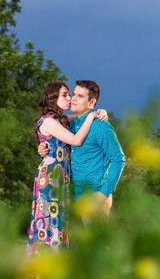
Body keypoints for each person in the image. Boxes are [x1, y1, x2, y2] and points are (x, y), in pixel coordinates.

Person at [27, 81, 106, 253]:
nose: (69, 98)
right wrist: (92, 116)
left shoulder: (60, 120)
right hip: (50, 179)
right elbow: (77, 140)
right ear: (53, 98)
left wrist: (99, 112)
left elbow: (80, 119)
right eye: (64, 95)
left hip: (60, 177)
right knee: (49, 222)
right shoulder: (49, 122)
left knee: (60, 222)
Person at [39, 80, 125, 215]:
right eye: (73, 94)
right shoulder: (70, 125)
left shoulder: (100, 126)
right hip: (73, 196)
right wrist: (43, 148)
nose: (73, 98)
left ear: (91, 102)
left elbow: (118, 160)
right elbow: (58, 147)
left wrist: (102, 194)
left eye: (80, 96)